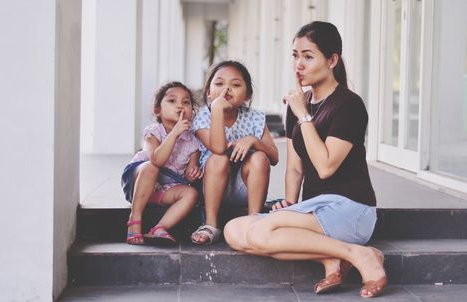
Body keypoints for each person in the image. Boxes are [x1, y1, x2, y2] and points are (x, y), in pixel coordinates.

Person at [223, 21, 387, 298]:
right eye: (295, 55)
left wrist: (303, 115)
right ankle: (331, 258)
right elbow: (295, 168)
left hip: (350, 209)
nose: (298, 64)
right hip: (314, 209)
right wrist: (289, 204)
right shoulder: (300, 104)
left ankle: (360, 255)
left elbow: (325, 167)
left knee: (262, 233)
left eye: (308, 56)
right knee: (234, 230)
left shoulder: (349, 105)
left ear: (332, 60)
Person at [190, 60, 279, 245]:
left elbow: (274, 157)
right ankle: (211, 224)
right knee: (218, 158)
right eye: (219, 83)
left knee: (260, 157)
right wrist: (217, 110)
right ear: (208, 92)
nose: (227, 89)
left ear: (247, 95)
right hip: (211, 186)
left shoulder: (254, 117)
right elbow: (218, 147)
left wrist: (254, 141)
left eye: (236, 85)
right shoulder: (203, 117)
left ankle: (253, 220)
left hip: (244, 186)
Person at [121, 81, 202, 246]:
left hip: (164, 189)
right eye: (172, 101)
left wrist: (193, 172)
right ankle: (135, 218)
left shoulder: (193, 141)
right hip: (139, 182)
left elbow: (189, 174)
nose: (180, 106)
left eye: (186, 102)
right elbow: (157, 160)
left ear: (192, 113)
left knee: (191, 194)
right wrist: (175, 133)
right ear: (157, 110)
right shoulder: (153, 132)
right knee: (151, 168)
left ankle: (160, 228)